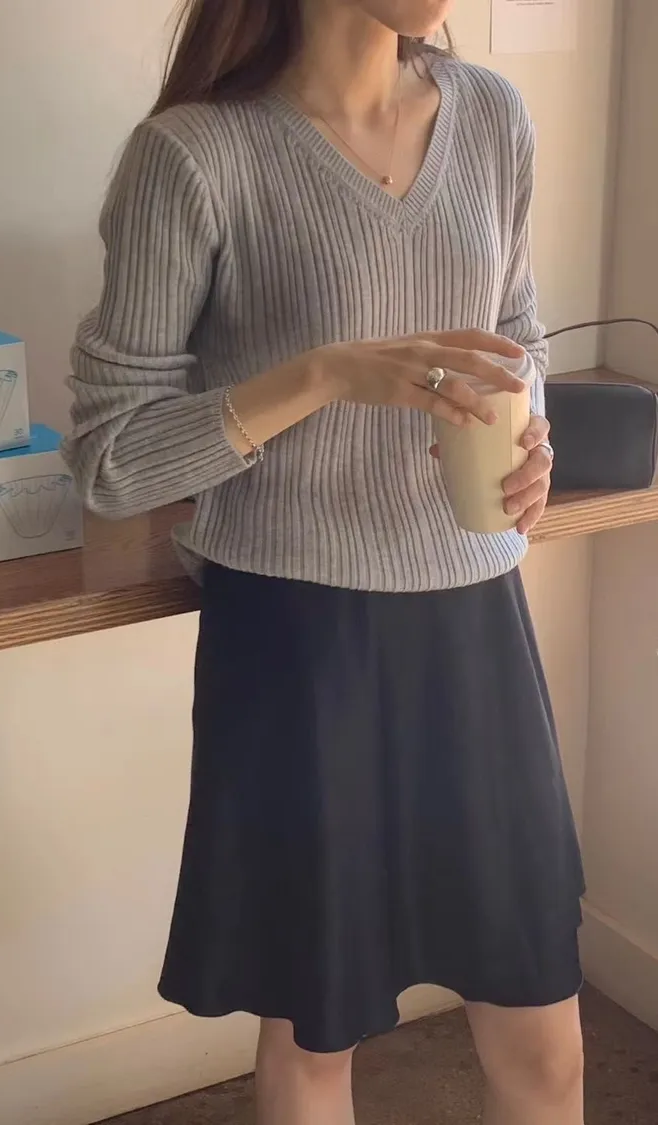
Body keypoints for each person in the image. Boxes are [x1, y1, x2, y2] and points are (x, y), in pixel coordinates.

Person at [63, 1, 586, 1122]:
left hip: (476, 616)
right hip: (296, 637)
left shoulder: (494, 117)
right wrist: (322, 377)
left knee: (544, 1033)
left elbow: (519, 332)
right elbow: (112, 458)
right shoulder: (194, 156)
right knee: (316, 1031)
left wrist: (532, 438)